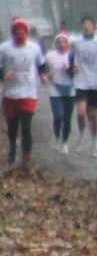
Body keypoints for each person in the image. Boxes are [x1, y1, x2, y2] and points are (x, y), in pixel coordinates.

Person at [1, 18, 47, 166]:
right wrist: (3, 76)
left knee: (26, 126)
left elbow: (42, 65)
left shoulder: (34, 48)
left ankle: (26, 156)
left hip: (28, 92)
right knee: (13, 128)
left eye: (22, 31)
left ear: (26, 33)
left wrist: (44, 75)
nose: (19, 34)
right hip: (10, 94)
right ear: (12, 33)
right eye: (16, 31)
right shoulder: (4, 48)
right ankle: (13, 147)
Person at [70, 15, 97, 157]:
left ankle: (94, 141)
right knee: (81, 113)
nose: (87, 27)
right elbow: (70, 59)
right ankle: (82, 135)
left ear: (93, 27)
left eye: (89, 24)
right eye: (84, 25)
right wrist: (71, 68)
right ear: (82, 27)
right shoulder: (75, 43)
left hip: (96, 82)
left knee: (93, 114)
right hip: (81, 81)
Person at [46, 32, 75, 154]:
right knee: (58, 115)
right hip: (55, 88)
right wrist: (47, 76)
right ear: (55, 43)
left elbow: (77, 73)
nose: (61, 44)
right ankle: (57, 136)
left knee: (67, 118)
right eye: (59, 42)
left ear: (68, 43)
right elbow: (44, 71)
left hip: (70, 88)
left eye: (64, 42)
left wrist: (69, 69)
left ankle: (65, 142)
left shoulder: (73, 56)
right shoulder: (50, 56)